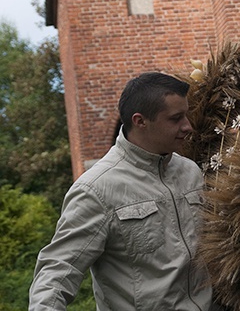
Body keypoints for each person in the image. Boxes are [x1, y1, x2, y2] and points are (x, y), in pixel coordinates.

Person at [29, 72, 213, 310]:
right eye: (176, 118)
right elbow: (58, 270)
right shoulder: (96, 189)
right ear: (140, 121)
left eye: (186, 115)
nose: (187, 126)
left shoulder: (190, 172)